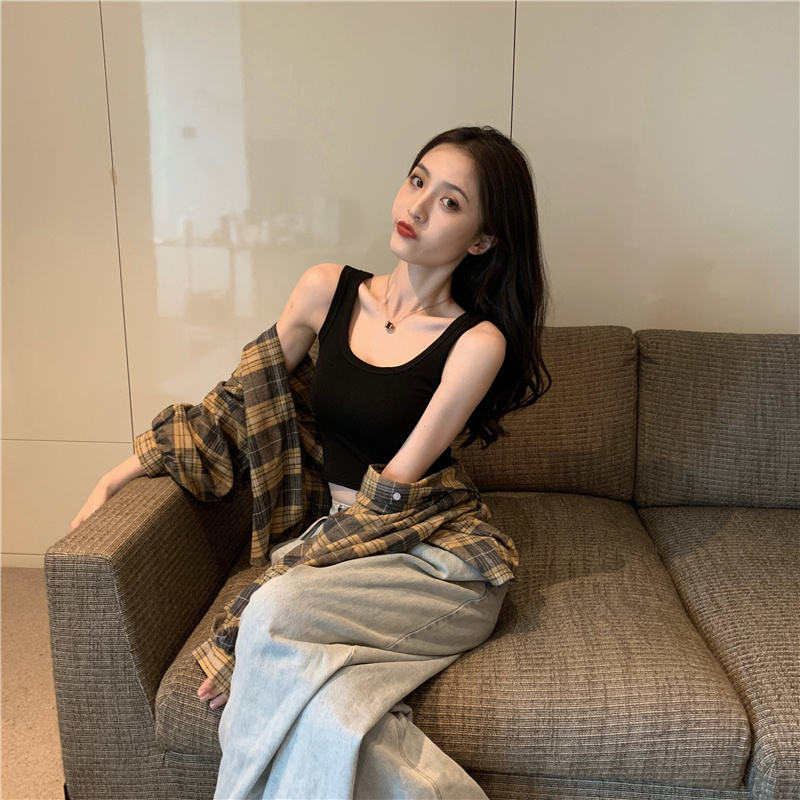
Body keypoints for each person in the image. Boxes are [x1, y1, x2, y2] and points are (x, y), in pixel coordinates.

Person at [71, 125, 551, 799]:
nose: (416, 207)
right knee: (332, 713)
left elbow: (390, 495)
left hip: (436, 559)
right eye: (417, 181)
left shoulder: (477, 343)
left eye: (449, 202)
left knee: (273, 610)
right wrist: (123, 470)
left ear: (482, 239)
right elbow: (243, 399)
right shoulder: (326, 290)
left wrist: (251, 623)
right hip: (350, 543)